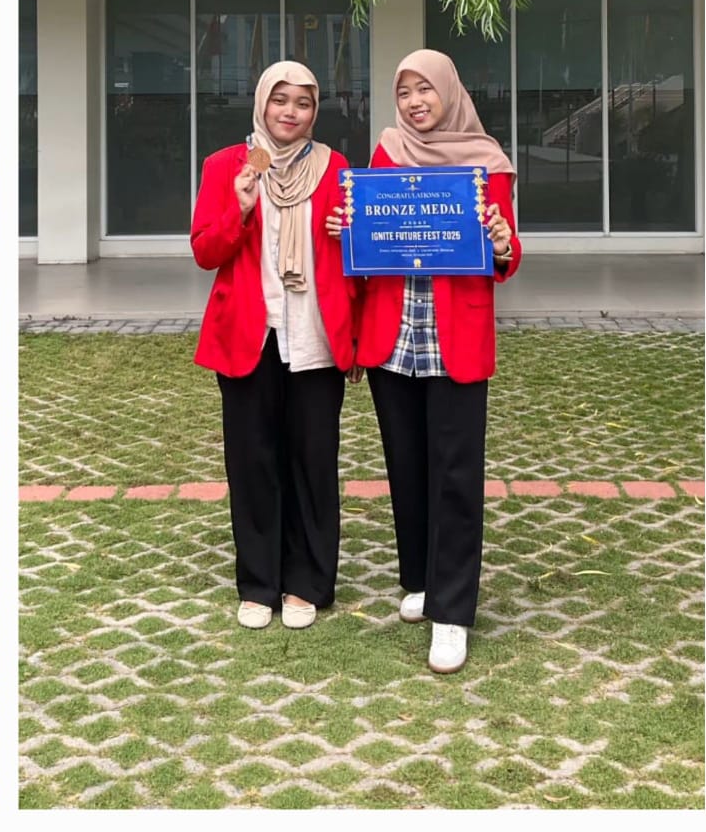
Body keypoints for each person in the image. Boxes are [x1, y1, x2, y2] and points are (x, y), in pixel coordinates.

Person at [344, 49, 520, 675]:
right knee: (406, 466)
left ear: (449, 91)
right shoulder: (387, 151)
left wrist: (501, 241)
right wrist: (348, 227)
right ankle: (418, 580)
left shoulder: (485, 160)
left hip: (455, 338)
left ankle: (452, 612)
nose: (416, 102)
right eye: (406, 91)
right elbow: (369, 240)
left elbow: (507, 250)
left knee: (455, 473)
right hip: (393, 339)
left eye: (426, 89)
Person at [190, 61, 359, 631]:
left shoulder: (335, 168)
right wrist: (238, 207)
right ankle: (259, 584)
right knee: (252, 462)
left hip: (314, 335)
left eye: (304, 103)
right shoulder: (225, 167)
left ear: (316, 110)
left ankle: (307, 582)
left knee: (313, 461)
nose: (291, 112)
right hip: (249, 334)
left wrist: (348, 234)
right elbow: (205, 252)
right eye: (280, 100)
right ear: (261, 102)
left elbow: (357, 256)